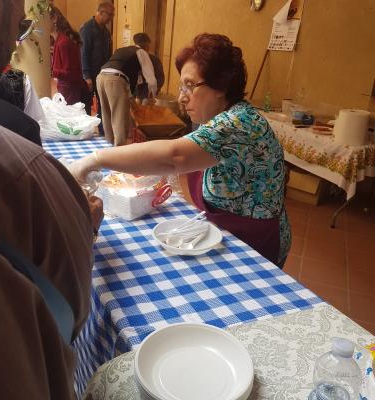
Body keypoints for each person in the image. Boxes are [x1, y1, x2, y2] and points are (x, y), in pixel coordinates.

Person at [69, 33, 291, 267]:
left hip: (255, 242)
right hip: (229, 234)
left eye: (190, 85)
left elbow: (175, 156)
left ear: (221, 86)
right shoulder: (220, 119)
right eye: (181, 85)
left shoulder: (237, 123)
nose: (182, 98)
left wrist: (96, 159)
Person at [0, 0, 103, 398]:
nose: (17, 40)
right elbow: (72, 302)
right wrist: (80, 212)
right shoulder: (19, 167)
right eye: (17, 24)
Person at [97, 41, 157, 146]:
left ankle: (108, 146)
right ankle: (119, 150)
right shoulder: (142, 52)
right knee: (119, 117)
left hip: (101, 77)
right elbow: (151, 78)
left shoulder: (121, 50)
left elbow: (127, 82)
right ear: (146, 46)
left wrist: (131, 100)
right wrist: (152, 95)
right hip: (115, 80)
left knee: (106, 113)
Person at [50, 6, 91, 109]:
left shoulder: (63, 42)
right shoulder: (59, 41)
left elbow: (70, 74)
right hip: (68, 92)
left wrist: (51, 72)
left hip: (72, 94)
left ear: (54, 18)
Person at [80, 1, 114, 119]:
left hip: (102, 74)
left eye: (112, 15)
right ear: (100, 12)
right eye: (110, 14)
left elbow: (109, 54)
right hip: (90, 74)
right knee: (87, 104)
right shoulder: (87, 29)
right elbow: (83, 53)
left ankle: (101, 129)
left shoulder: (106, 31)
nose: (111, 18)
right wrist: (87, 76)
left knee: (104, 103)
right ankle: (87, 129)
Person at [133, 32, 165, 102]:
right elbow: (161, 78)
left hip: (140, 93)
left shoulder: (131, 58)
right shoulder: (155, 59)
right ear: (148, 45)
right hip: (146, 93)